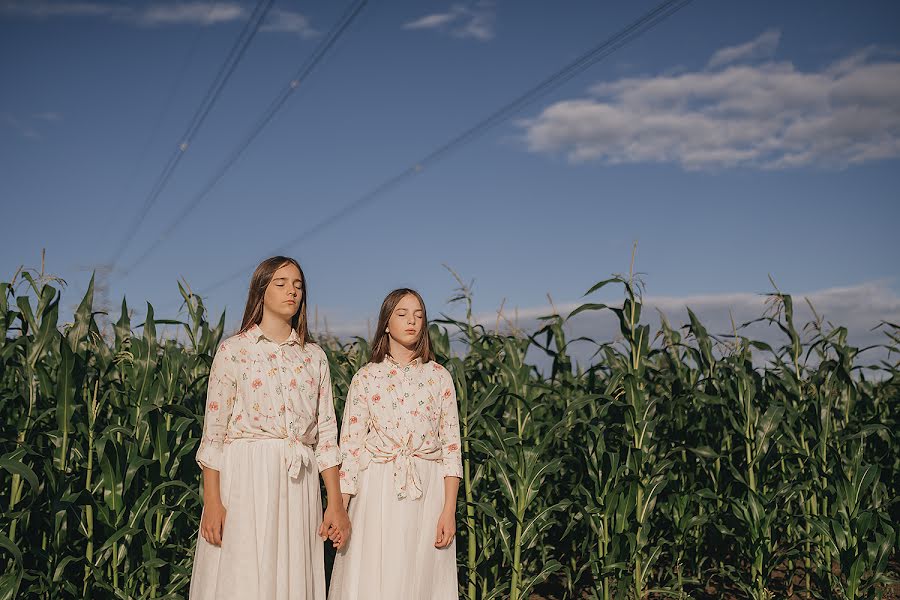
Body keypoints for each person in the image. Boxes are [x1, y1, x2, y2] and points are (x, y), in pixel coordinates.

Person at [190, 256, 350, 600]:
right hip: (245, 479)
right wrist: (213, 501)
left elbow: (326, 437)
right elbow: (214, 435)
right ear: (261, 291)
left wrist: (335, 502)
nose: (292, 291)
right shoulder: (233, 351)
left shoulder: (314, 357)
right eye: (281, 283)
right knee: (244, 577)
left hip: (299, 482)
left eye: (298, 285)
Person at [328, 288, 462, 600]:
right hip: (377, 490)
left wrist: (449, 510)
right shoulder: (365, 378)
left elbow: (451, 448)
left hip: (427, 491)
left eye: (418, 315)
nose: (412, 321)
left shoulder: (440, 377)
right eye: (402, 314)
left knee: (421, 577)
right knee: (377, 577)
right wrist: (341, 509)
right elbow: (350, 447)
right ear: (386, 323)